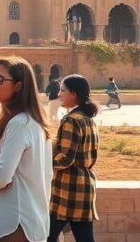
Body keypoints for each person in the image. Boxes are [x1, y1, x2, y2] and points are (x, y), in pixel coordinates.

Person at [0, 57, 52, 242]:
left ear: (18, 86)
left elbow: (2, 177)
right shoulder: (32, 123)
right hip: (27, 221)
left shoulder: (19, 124)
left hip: (14, 223)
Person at [48, 74, 99, 242]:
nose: (59, 95)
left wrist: (45, 164)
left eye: (63, 91)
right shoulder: (87, 118)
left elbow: (66, 158)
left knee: (45, 234)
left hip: (68, 187)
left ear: (74, 94)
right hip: (84, 186)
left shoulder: (71, 120)